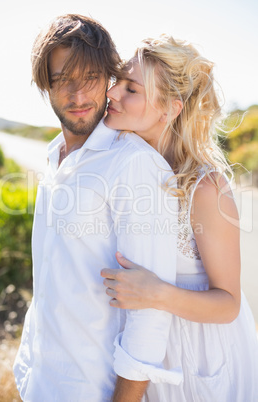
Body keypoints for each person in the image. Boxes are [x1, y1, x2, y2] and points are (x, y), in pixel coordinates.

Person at [13, 15, 183, 402]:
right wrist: (25, 368)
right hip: (39, 383)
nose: (77, 96)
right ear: (46, 85)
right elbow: (51, 283)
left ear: (108, 77)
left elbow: (151, 317)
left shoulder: (133, 164)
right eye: (62, 80)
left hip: (91, 391)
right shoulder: (52, 156)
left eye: (89, 77)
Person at [101, 35, 258, 401]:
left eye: (131, 89)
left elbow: (229, 303)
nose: (112, 94)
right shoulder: (123, 165)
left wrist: (157, 293)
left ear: (169, 108)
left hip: (198, 357)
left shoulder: (205, 187)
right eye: (116, 82)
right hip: (141, 352)